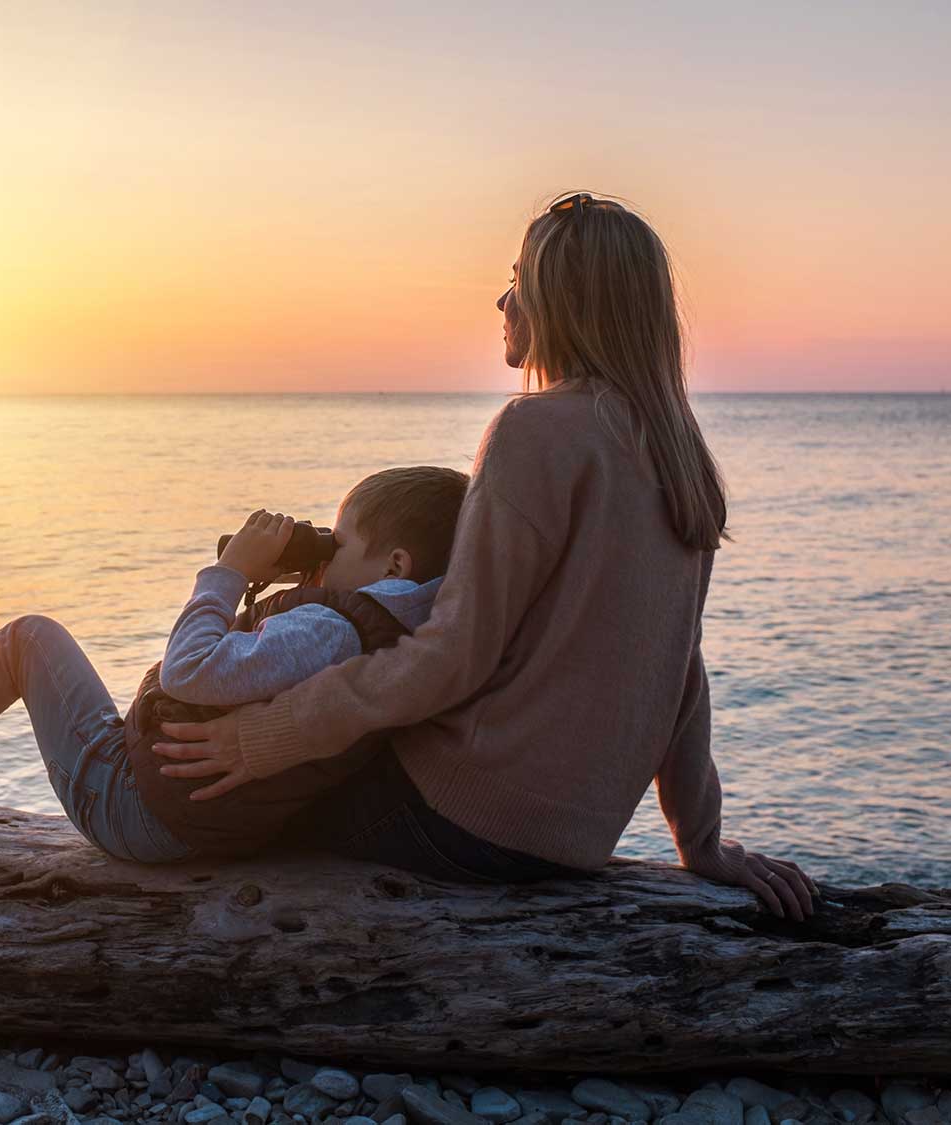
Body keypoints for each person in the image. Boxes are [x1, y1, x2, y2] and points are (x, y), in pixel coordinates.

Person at [150, 191, 822, 920]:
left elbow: (450, 658)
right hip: (573, 839)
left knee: (193, 790)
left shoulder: (533, 432)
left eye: (520, 279)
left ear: (564, 301)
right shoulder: (678, 459)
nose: (503, 298)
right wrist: (702, 841)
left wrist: (266, 738)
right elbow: (677, 669)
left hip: (457, 819)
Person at [0, 466, 488, 866]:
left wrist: (227, 573)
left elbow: (190, 672)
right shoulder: (414, 628)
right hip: (212, 820)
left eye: (341, 542)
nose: (327, 555)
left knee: (29, 639)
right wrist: (308, 578)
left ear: (394, 564)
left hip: (137, 811)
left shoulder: (328, 628)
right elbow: (268, 660)